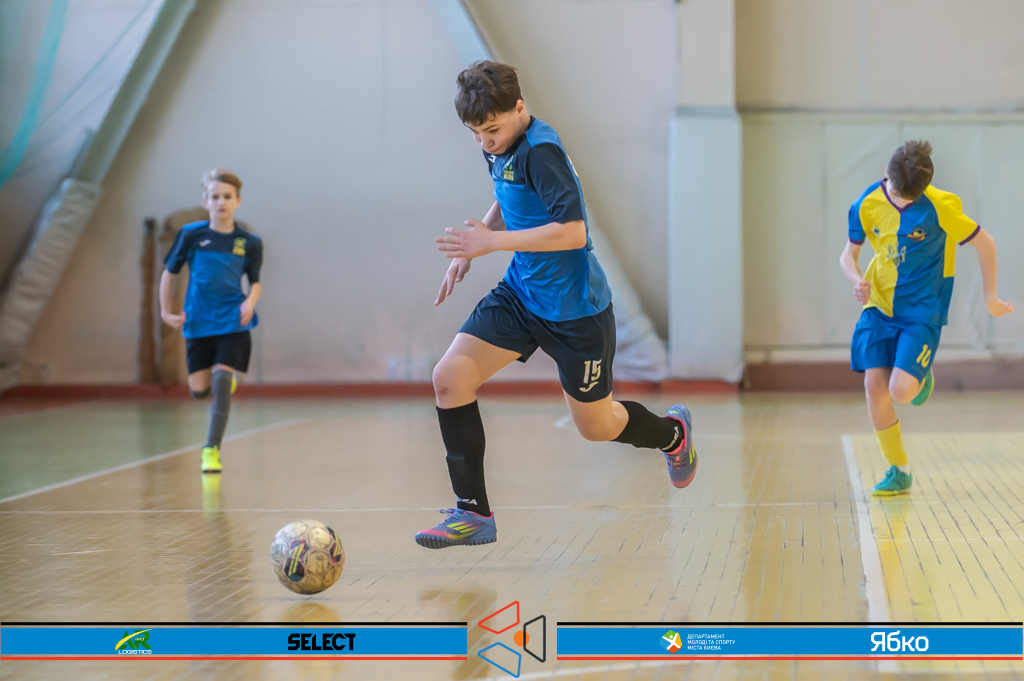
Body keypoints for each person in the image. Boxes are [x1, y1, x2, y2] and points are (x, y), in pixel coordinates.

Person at [415, 61, 697, 549]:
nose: (484, 142)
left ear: (519, 108)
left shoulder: (541, 152)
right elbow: (509, 192)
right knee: (450, 378)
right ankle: (473, 512)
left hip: (575, 312)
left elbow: (573, 232)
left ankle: (672, 435)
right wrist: (474, 245)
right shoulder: (502, 145)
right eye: (475, 133)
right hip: (521, 294)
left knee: (598, 426)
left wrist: (492, 244)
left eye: (492, 130)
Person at [839, 140, 1014, 496]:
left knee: (901, 392)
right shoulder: (865, 204)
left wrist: (991, 298)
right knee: (874, 386)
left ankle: (920, 374)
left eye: (910, 198)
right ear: (886, 174)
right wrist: (857, 279)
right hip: (879, 305)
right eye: (897, 194)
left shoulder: (941, 206)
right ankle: (899, 469)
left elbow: (986, 243)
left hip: (922, 310)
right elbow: (848, 254)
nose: (902, 201)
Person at [160, 168, 263, 474]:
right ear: (206, 201)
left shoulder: (249, 242)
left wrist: (250, 302)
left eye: (227, 197)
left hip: (233, 320)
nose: (221, 202)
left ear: (238, 201)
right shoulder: (191, 235)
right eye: (215, 197)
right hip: (199, 321)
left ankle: (211, 450)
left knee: (221, 380)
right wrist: (165, 310)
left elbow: (255, 282)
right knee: (199, 391)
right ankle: (221, 383)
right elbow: (169, 273)